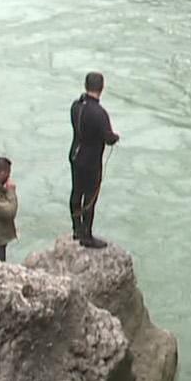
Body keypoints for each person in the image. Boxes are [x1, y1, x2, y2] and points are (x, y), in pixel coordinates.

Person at [68, 71, 120, 249]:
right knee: (90, 196)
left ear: (86, 85)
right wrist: (115, 137)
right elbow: (108, 137)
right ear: (102, 88)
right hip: (91, 161)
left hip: (75, 154)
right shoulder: (100, 113)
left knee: (76, 192)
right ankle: (87, 235)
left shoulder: (76, 106)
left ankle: (76, 229)